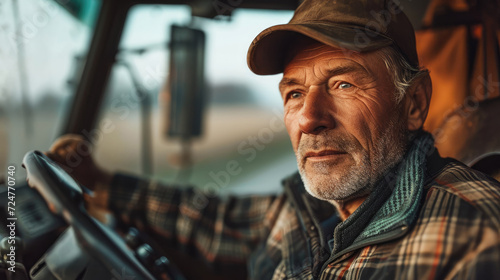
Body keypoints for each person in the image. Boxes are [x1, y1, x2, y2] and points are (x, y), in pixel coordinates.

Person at [48, 0, 500, 279]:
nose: (309, 118)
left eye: (343, 84)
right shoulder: (310, 209)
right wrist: (99, 183)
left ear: (414, 104)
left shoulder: (474, 236)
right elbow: (214, 220)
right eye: (294, 93)